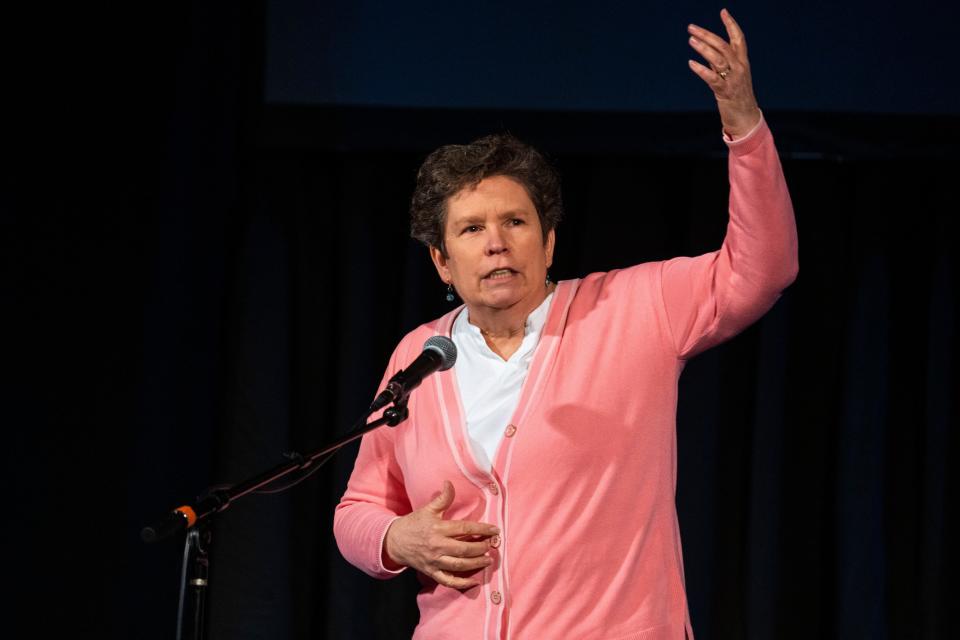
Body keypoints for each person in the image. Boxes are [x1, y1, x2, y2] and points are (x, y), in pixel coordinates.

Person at [334, 10, 798, 639]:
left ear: (549, 243)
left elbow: (762, 268)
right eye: (472, 230)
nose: (497, 243)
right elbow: (357, 509)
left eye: (516, 223)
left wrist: (743, 126)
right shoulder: (422, 355)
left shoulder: (636, 307)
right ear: (442, 260)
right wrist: (397, 537)